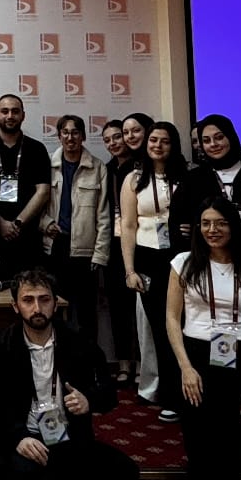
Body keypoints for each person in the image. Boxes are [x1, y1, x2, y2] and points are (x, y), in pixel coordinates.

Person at [0, 268, 137, 480]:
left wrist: (88, 400)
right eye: (28, 300)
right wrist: (18, 438)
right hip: (27, 437)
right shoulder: (1, 346)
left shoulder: (79, 340)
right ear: (15, 306)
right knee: (17, 477)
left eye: (45, 299)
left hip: (71, 436)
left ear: (56, 304)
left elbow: (109, 394)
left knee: (126, 471)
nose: (37, 308)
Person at [169, 199, 241, 480]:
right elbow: (172, 319)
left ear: (233, 226)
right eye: (206, 223)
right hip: (195, 360)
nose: (212, 230)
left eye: (221, 223)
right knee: (199, 447)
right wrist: (186, 368)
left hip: (239, 361)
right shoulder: (183, 263)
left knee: (231, 450)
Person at [119, 121, 183, 422]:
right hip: (147, 258)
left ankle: (185, 389)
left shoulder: (186, 176)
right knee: (158, 327)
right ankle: (167, 394)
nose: (158, 145)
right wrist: (129, 269)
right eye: (153, 140)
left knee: (181, 325)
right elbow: (128, 225)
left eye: (165, 141)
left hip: (180, 256)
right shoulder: (133, 179)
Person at [42, 115, 111, 331]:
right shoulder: (48, 165)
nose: (70, 137)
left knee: (86, 313)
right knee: (55, 309)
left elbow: (103, 215)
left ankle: (88, 353)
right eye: (65, 132)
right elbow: (37, 204)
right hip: (55, 246)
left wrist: (100, 254)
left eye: (75, 132)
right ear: (59, 136)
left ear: (83, 136)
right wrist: (45, 223)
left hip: (85, 251)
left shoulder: (98, 167)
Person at [0, 95, 53, 273]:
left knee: (27, 285)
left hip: (27, 235)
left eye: (15, 111)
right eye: (4, 111)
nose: (10, 116)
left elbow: (43, 192)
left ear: (23, 115)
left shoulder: (37, 149)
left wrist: (17, 223)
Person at [103, 113, 153, 386]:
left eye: (118, 136)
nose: (115, 142)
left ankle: (146, 367)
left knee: (143, 311)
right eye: (108, 139)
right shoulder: (106, 169)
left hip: (143, 244)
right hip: (114, 245)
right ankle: (124, 364)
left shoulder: (146, 166)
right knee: (119, 309)